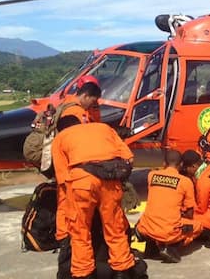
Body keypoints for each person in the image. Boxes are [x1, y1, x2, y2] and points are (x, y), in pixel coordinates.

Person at [53, 116, 138, 278]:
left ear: (61, 129)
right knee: (115, 229)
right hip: (110, 179)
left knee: (80, 232)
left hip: (81, 181)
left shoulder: (60, 138)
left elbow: (63, 179)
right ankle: (122, 271)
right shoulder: (104, 128)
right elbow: (129, 158)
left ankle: (84, 273)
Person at [53, 78, 102, 265]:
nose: (94, 105)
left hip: (65, 166)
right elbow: (76, 141)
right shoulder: (75, 112)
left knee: (65, 203)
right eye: (93, 101)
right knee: (67, 204)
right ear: (86, 95)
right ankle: (65, 240)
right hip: (70, 167)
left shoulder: (67, 105)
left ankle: (64, 239)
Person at [135, 150, 203, 263]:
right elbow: (190, 213)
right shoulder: (185, 182)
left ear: (163, 163)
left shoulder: (152, 176)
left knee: (154, 218)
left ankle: (152, 246)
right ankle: (170, 248)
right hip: (168, 231)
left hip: (145, 227)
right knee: (197, 226)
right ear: (181, 164)